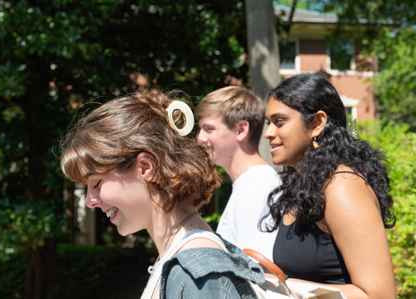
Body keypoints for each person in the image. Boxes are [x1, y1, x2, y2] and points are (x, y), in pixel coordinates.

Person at [60, 91, 264, 299]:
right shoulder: (183, 259)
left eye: (96, 183)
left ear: (146, 167)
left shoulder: (199, 274)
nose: (90, 201)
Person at [262, 74, 397, 298]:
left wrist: (292, 290)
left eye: (279, 121)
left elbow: (380, 295)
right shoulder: (301, 186)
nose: (268, 132)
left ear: (317, 123)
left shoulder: (342, 186)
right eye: (269, 122)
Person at [196, 86, 281, 261]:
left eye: (209, 129)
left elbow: (262, 276)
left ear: (241, 130)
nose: (200, 138)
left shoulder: (257, 189)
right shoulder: (249, 184)